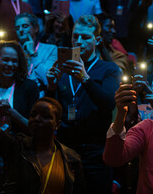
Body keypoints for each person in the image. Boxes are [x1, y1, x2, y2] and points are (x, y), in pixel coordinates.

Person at [0, 68, 85, 193]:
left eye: (45, 116)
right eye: (33, 115)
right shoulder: (17, 147)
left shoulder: (71, 158)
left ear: (57, 124)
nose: (37, 119)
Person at [46, 15, 121, 193]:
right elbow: (52, 108)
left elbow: (108, 104)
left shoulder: (109, 69)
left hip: (96, 152)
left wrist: (85, 78)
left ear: (97, 40)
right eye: (75, 36)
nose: (79, 41)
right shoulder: (62, 69)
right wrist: (50, 87)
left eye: (85, 37)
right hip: (66, 148)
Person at [0, 40, 39, 193]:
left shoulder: (29, 87)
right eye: (5, 59)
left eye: (14, 61)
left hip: (18, 156)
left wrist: (12, 113)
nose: (10, 64)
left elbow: (35, 129)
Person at [14, 13, 57, 97]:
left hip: (40, 97)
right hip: (18, 95)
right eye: (17, 28)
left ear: (36, 28)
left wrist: (32, 54)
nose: (21, 30)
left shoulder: (51, 49)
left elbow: (48, 80)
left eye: (25, 26)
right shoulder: (13, 51)